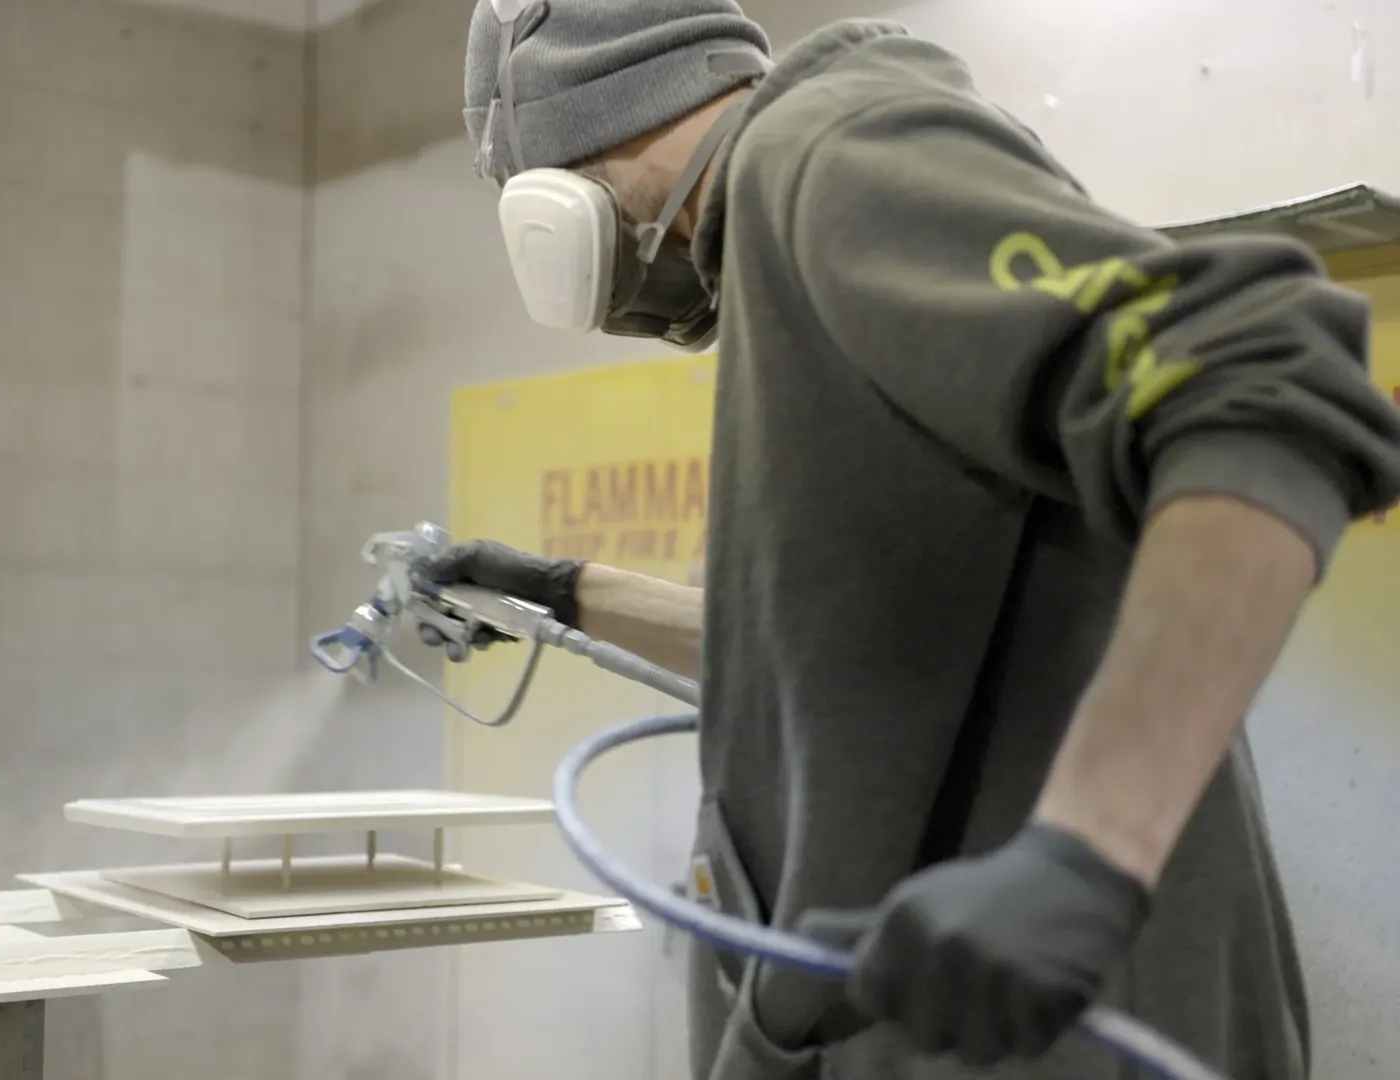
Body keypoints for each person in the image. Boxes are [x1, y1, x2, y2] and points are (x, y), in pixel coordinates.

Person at [425, 3, 1400, 1079]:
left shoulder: (828, 154)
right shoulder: (792, 248)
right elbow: (835, 656)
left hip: (1048, 1034)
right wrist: (559, 594)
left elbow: (1268, 379)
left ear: (567, 171)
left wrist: (1085, 857)